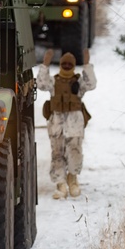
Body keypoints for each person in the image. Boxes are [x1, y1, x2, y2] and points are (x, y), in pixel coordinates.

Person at [36, 48, 96, 199]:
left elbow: (91, 84)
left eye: (70, 64)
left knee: (75, 151)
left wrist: (87, 63)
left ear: (74, 66)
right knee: (57, 153)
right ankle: (60, 183)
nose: (67, 66)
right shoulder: (53, 81)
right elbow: (41, 84)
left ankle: (73, 178)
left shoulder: (79, 83)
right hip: (57, 124)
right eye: (65, 64)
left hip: (75, 124)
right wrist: (45, 63)